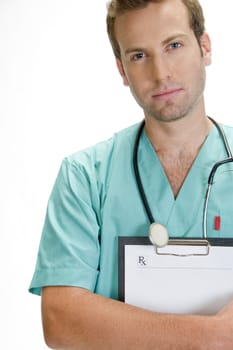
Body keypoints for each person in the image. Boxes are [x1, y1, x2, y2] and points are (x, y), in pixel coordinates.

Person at [29, 0, 233, 349]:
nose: (161, 72)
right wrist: (214, 335)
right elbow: (61, 319)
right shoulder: (86, 177)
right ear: (122, 70)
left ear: (205, 47)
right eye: (139, 55)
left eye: (174, 45)